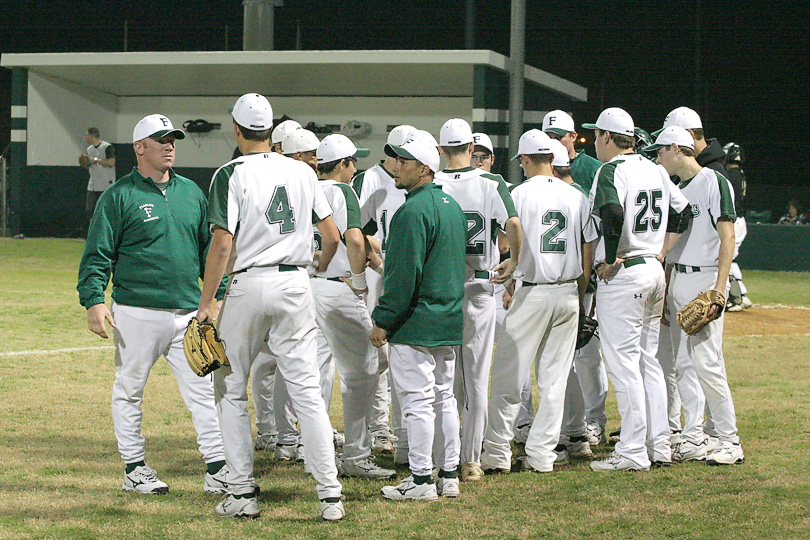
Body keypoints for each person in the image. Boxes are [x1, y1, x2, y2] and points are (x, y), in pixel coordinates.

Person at [197, 93, 345, 520]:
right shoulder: (302, 170)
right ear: (270, 129)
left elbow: (223, 242)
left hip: (248, 283)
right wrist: (313, 265)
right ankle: (330, 495)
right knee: (307, 392)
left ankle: (242, 493)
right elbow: (331, 234)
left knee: (229, 388)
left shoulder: (230, 172)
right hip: (295, 282)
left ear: (237, 129)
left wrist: (207, 303)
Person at [77, 114, 228, 496]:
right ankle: (134, 469)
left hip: (188, 313)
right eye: (160, 139)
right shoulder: (119, 195)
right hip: (137, 313)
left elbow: (207, 252)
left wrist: (218, 294)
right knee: (129, 390)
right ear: (139, 147)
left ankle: (217, 468)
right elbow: (97, 254)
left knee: (205, 393)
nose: (170, 145)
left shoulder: (191, 192)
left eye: (172, 139)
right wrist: (94, 300)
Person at [480, 130, 597, 474]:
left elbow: (506, 238)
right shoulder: (575, 195)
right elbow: (588, 245)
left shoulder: (518, 193)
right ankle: (543, 455)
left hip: (532, 290)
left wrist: (513, 270)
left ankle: (498, 453)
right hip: (567, 292)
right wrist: (582, 290)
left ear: (526, 159)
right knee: (554, 380)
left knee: (508, 379)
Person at [582, 108, 692, 472]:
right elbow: (683, 211)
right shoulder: (656, 168)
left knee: (624, 363)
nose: (594, 141)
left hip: (626, 272)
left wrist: (611, 256)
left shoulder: (612, 169)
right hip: (653, 271)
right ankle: (657, 444)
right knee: (648, 362)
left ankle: (631, 450)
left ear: (609, 137)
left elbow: (611, 213)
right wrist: (661, 250)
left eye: (597, 135)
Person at [370, 132, 467, 501]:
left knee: (418, 402)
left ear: (424, 167)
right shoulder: (450, 205)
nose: (396, 166)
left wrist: (383, 320)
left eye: (404, 161)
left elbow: (403, 276)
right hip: (448, 317)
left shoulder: (412, 210)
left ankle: (422, 480)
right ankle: (449, 475)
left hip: (416, 320)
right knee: (444, 399)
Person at [646, 126, 745, 466]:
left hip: (704, 278)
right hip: (679, 279)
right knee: (684, 365)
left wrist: (720, 286)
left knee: (708, 363)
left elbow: (727, 234)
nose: (658, 157)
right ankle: (693, 436)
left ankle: (729, 439)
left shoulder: (714, 182)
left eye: (661, 150)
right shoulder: (676, 188)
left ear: (677, 147)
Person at [434, 118, 522, 482]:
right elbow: (513, 226)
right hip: (480, 288)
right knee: (475, 379)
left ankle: (443, 457)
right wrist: (514, 262)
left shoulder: (432, 183)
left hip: (441, 289)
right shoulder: (491, 182)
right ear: (472, 149)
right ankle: (470, 460)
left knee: (442, 381)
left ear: (441, 151)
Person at [310, 133, 395, 480]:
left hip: (307, 288)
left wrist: (377, 266)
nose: (355, 167)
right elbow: (354, 238)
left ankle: (314, 450)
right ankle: (356, 456)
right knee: (364, 371)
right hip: (338, 289)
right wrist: (361, 280)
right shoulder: (342, 191)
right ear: (342, 164)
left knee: (313, 376)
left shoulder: (305, 188)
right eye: (352, 161)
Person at [542, 111, 609, 446]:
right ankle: (573, 426)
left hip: (586, 277)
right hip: (560, 278)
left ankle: (593, 420)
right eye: (549, 135)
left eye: (560, 135)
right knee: (561, 359)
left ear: (573, 137)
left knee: (586, 354)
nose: (555, 141)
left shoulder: (593, 169)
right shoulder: (540, 173)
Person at [353, 125, 416, 461]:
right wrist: (376, 260)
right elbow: (357, 231)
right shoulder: (375, 184)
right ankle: (381, 431)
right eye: (397, 156)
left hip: (400, 273)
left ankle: (404, 435)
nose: (400, 162)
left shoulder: (414, 187)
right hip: (384, 275)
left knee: (406, 359)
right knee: (380, 358)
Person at [722, 142, 752, 310]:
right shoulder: (739, 173)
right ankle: (741, 294)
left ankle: (736, 297)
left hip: (735, 221)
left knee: (726, 257)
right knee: (730, 258)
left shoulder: (730, 174)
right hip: (740, 220)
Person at [80, 127, 116, 231]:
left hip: (106, 184)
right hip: (93, 183)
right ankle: (93, 231)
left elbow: (111, 162)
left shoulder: (107, 147)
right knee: (89, 210)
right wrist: (86, 163)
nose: (86, 137)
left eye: (87, 135)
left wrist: (95, 160)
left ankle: (108, 232)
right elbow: (91, 165)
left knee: (106, 211)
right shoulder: (89, 149)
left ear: (92, 136)